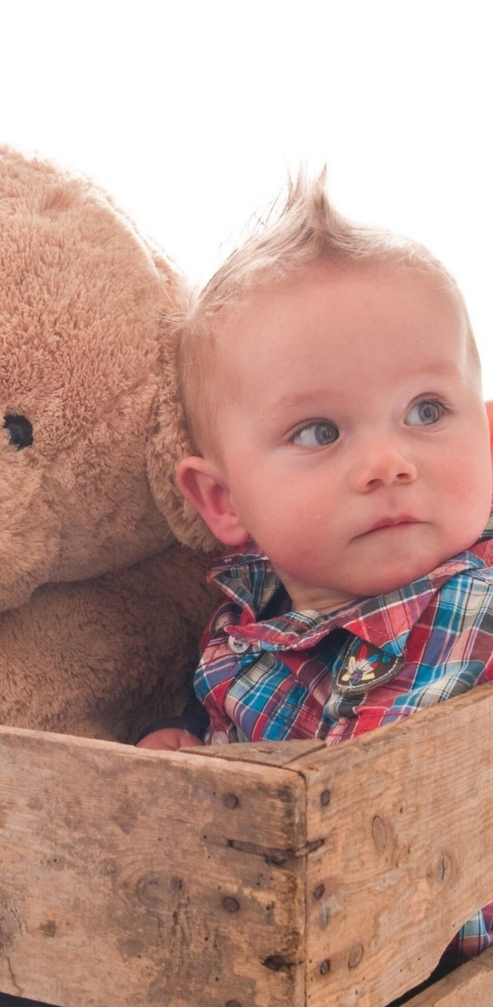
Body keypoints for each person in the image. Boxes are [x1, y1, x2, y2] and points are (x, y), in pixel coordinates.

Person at [138, 174, 493, 962]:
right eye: (319, 432)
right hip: (288, 966)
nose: (388, 462)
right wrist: (193, 765)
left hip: (439, 975)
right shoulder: (242, 627)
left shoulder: (480, 599)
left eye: (427, 411)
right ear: (224, 501)